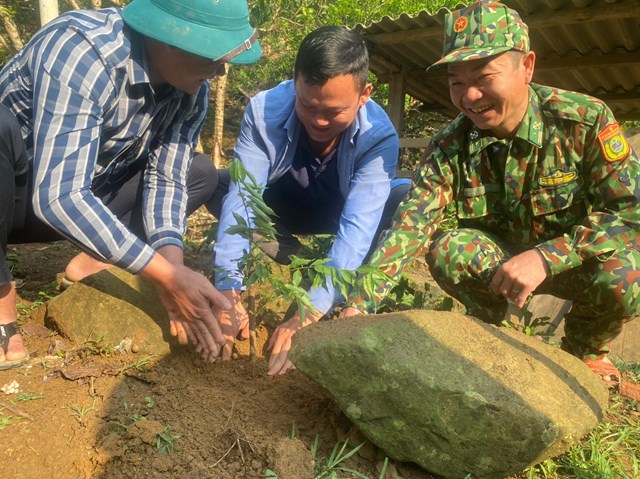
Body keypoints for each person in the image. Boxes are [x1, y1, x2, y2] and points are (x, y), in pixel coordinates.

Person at [343, 1, 640, 387]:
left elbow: (630, 213)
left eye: (484, 77)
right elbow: (410, 226)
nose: (470, 95)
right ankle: (495, 336)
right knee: (449, 249)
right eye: (456, 82)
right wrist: (358, 306)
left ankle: (584, 354)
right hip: (497, 269)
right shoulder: (451, 144)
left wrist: (547, 257)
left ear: (527, 66)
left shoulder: (583, 121)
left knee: (626, 274)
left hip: (570, 266)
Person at [0, 0, 261, 369]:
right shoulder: (81, 49)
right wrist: (167, 275)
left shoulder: (191, 92)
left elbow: (166, 178)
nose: (220, 71)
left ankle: (96, 258)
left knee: (198, 171)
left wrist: (173, 273)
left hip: (83, 195)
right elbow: (58, 196)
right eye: (212, 57)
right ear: (169, 38)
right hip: (18, 196)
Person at [207, 26, 410, 375]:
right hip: (279, 211)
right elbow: (243, 196)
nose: (318, 120)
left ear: (365, 95)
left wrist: (308, 311)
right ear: (295, 81)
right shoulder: (263, 111)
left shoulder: (379, 136)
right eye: (307, 104)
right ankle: (287, 251)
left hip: (336, 215)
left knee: (403, 193)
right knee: (216, 181)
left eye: (333, 112)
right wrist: (228, 287)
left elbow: (357, 229)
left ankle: (329, 280)